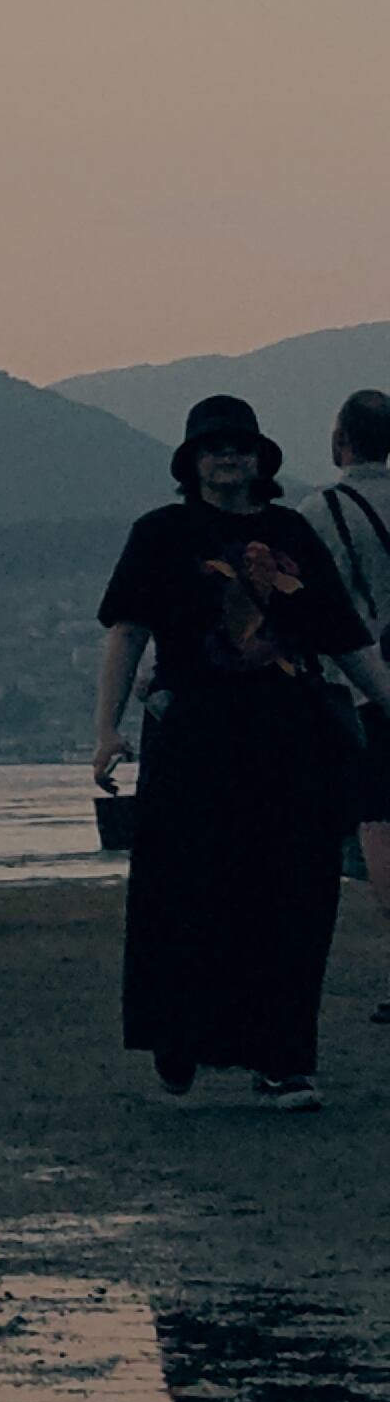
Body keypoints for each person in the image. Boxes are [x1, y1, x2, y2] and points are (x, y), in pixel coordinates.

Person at [93, 394, 390, 1109]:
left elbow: (345, 636)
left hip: (291, 741)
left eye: (241, 446)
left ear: (261, 459)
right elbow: (127, 632)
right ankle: (179, 1036)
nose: (229, 456)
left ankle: (283, 1060)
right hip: (193, 740)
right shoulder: (161, 533)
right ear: (192, 460)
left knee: (294, 896)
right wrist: (104, 731)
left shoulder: (291, 530)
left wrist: (387, 699)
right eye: (215, 446)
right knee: (186, 894)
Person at [306, 390, 390, 1011]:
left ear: (342, 441)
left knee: (379, 820)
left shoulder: (323, 511)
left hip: (368, 685)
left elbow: (314, 607)